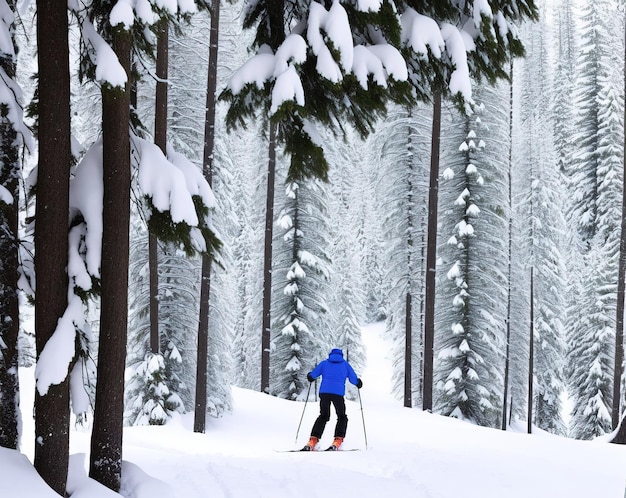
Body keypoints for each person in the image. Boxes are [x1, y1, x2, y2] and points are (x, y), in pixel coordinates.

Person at [302, 348, 363, 451]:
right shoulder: (345, 365)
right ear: (341, 355)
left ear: (330, 354)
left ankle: (313, 440)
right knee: (342, 416)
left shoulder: (324, 363)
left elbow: (313, 375)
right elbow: (353, 379)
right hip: (338, 394)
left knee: (323, 416)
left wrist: (310, 376)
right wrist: (358, 383)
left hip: (324, 393)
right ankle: (338, 440)